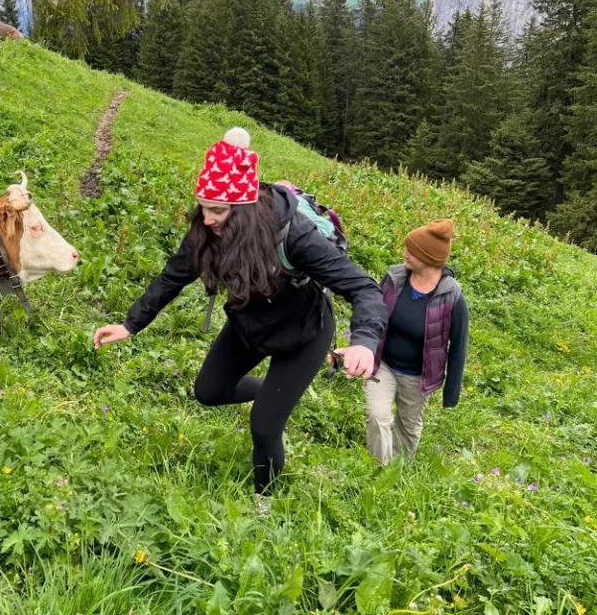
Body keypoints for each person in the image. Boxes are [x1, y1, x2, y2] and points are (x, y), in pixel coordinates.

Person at [93, 127, 387, 501]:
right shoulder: (206, 229)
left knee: (264, 428)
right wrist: (130, 324)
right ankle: (276, 395)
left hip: (303, 335)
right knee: (208, 391)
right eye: (203, 207)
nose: (208, 218)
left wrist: (363, 341)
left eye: (218, 210)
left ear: (245, 210)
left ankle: (264, 503)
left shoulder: (291, 234)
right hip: (249, 323)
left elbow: (363, 287)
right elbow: (173, 276)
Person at [365, 219, 469, 465]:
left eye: (411, 251)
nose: (405, 254)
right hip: (385, 365)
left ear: (429, 257)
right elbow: (374, 316)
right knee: (377, 415)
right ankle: (379, 471)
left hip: (418, 377)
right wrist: (363, 348)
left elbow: (459, 348)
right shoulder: (394, 278)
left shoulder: (452, 297)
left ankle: (398, 471)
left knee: (408, 427)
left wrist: (451, 393)